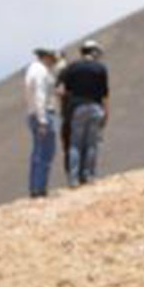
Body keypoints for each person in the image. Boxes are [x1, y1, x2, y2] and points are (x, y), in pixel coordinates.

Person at [56, 39, 110, 186]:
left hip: (77, 109)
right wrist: (106, 113)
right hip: (95, 108)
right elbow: (105, 95)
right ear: (94, 52)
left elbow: (61, 90)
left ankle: (73, 179)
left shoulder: (72, 68)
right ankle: (88, 176)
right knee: (91, 144)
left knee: (75, 144)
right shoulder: (100, 69)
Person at [22, 48, 60, 198]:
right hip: (43, 114)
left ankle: (36, 187)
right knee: (45, 153)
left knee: (38, 152)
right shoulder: (41, 71)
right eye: (52, 58)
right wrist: (43, 120)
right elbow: (40, 95)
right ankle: (39, 189)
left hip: (34, 113)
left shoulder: (32, 70)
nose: (53, 62)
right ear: (46, 57)